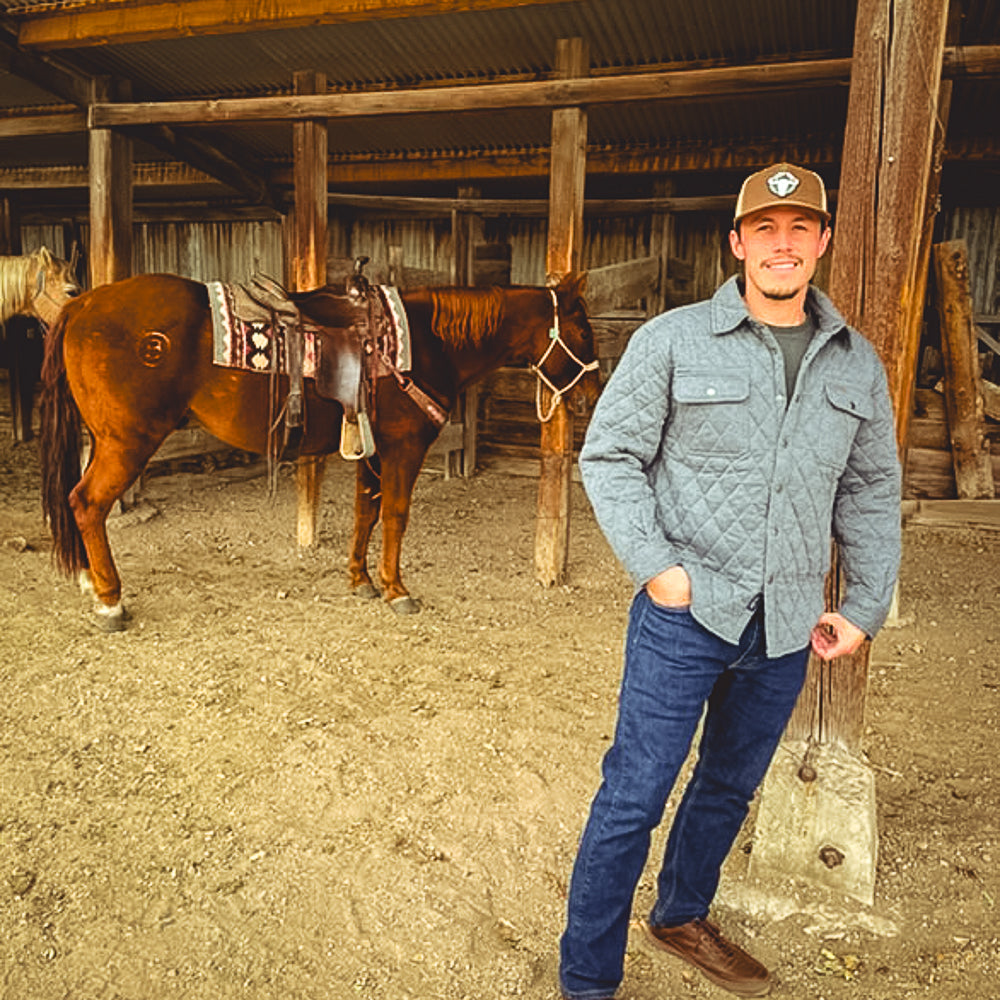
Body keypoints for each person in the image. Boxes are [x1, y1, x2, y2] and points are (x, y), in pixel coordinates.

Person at [559, 162, 901, 999]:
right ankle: (587, 980)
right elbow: (608, 456)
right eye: (765, 231)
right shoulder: (672, 341)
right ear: (738, 243)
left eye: (800, 231)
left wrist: (862, 606)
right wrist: (658, 569)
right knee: (635, 796)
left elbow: (870, 488)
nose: (782, 246)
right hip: (686, 613)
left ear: (821, 242)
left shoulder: (856, 365)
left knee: (726, 786)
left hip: (785, 623)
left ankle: (681, 915)